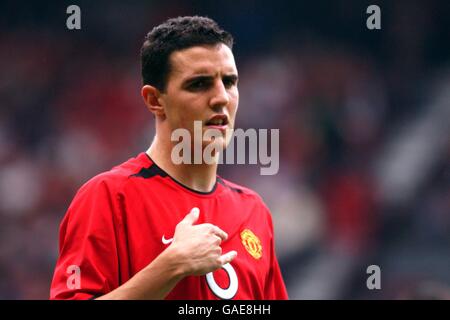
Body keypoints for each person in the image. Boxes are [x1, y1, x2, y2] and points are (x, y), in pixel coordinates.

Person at [50, 16, 288, 300]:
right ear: (154, 100)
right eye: (199, 84)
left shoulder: (254, 212)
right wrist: (170, 266)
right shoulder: (107, 198)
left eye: (229, 81)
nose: (221, 97)